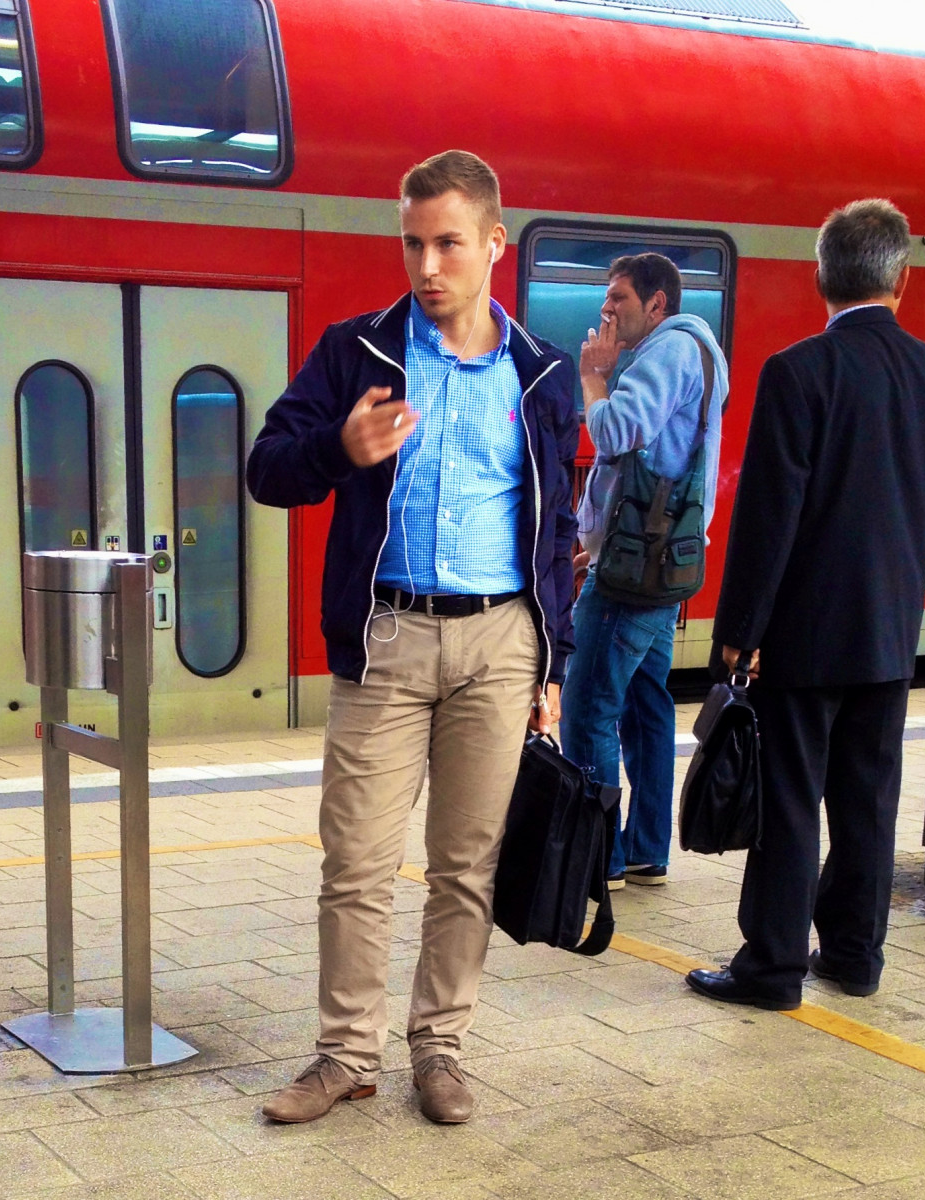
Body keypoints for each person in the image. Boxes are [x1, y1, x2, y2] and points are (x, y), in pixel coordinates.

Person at [246, 150, 578, 1124]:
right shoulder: (356, 354)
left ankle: (439, 1049)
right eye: (412, 243)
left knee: (464, 865)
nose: (427, 265)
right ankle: (345, 1056)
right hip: (387, 634)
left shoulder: (543, 375)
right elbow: (269, 467)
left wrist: (549, 661)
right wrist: (336, 451)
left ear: (491, 247)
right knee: (354, 862)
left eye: (446, 243)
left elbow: (552, 528)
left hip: (500, 641)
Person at [687, 198, 925, 1011]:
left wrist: (739, 632)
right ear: (902, 281)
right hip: (890, 629)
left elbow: (769, 516)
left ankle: (771, 968)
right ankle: (854, 956)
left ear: (821, 277)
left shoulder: (798, 371)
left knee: (789, 798)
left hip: (805, 634)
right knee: (868, 801)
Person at [563, 253, 728, 891]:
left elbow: (618, 433)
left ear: (657, 304)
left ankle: (596, 857)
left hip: (635, 573)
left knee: (587, 706)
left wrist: (594, 379)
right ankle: (646, 850)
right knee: (645, 705)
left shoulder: (668, 352)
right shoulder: (702, 352)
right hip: (657, 561)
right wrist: (598, 539)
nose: (607, 310)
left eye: (619, 298)